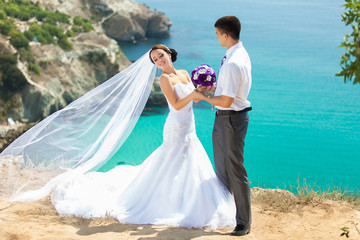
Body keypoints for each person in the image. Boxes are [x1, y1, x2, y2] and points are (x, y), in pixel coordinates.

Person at [13, 44, 236, 229]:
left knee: (188, 162)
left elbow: (194, 100)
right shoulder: (164, 81)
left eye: (161, 56)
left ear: (169, 53)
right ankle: (167, 201)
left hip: (190, 126)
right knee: (171, 161)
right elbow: (177, 104)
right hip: (176, 126)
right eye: (155, 60)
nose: (160, 60)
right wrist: (196, 94)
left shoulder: (186, 74)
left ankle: (183, 199)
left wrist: (205, 90)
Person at [195, 16, 252, 236]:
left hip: (230, 118)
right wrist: (213, 89)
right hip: (228, 118)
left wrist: (203, 96)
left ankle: (243, 222)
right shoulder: (239, 53)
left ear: (226, 35)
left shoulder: (233, 62)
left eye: (218, 34)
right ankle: (227, 213)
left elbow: (227, 101)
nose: (217, 37)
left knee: (234, 170)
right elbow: (230, 91)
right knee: (223, 169)